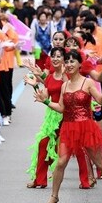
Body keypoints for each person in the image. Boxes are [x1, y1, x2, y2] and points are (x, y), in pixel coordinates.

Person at [34, 49, 102, 203]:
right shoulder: (64, 85)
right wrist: (45, 101)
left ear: (80, 64)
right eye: (66, 61)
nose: (68, 64)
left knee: (99, 163)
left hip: (86, 127)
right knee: (61, 163)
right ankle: (54, 196)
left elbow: (101, 101)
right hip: (68, 127)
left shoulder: (87, 82)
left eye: (72, 61)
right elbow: (61, 108)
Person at [24, 47, 66, 189]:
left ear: (64, 59)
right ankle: (40, 180)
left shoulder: (67, 76)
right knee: (43, 144)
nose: (55, 59)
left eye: (58, 56)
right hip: (52, 118)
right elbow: (44, 97)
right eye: (53, 56)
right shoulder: (49, 77)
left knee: (81, 149)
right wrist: (35, 86)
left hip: (67, 116)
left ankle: (88, 178)